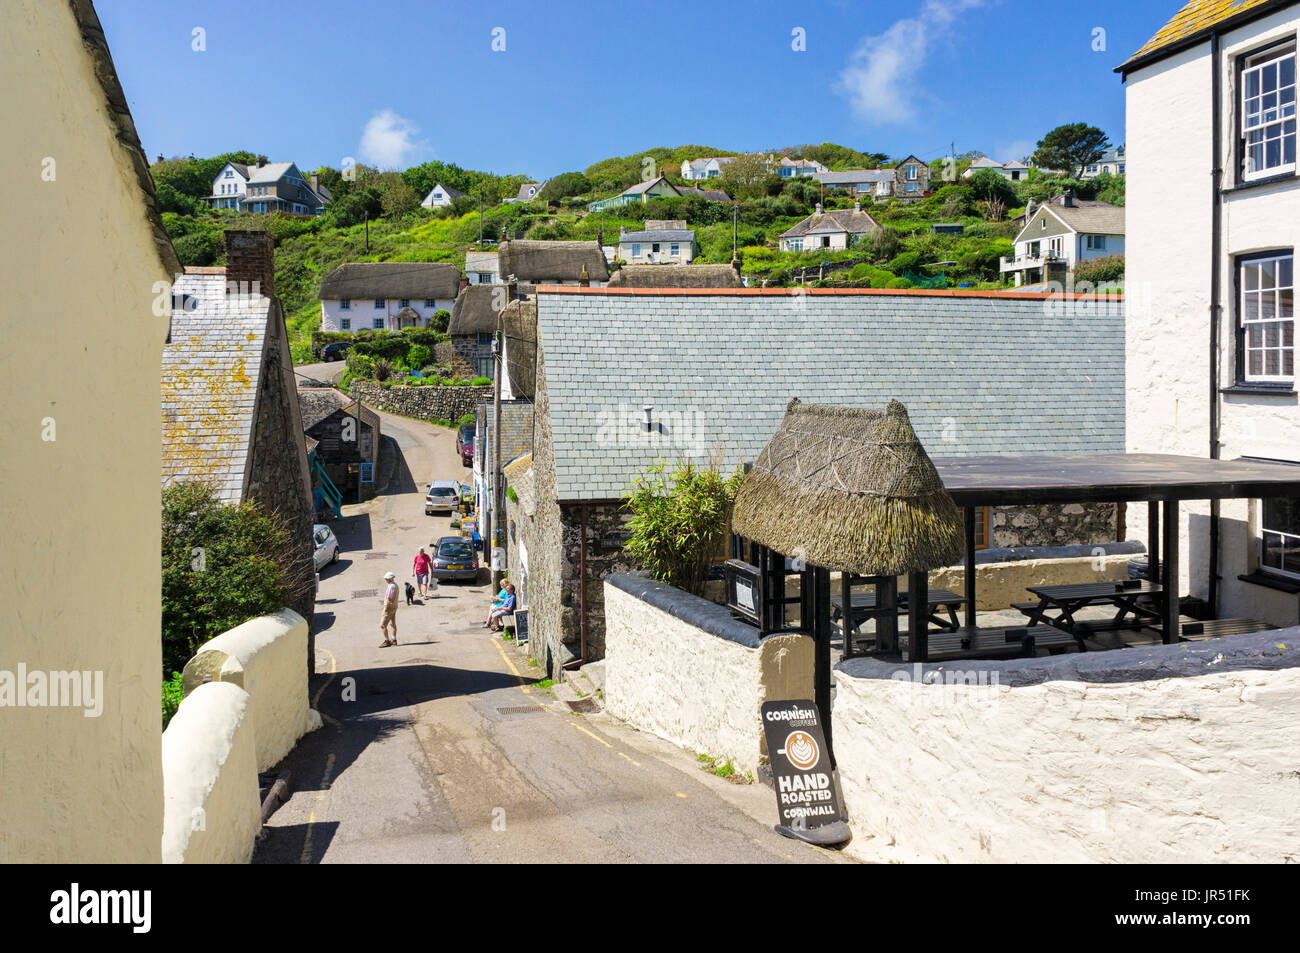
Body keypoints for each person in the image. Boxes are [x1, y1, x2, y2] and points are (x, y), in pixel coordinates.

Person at [380, 571, 398, 647]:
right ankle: (394, 639)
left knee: (382, 625)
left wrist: (386, 608)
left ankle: (387, 641)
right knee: (392, 623)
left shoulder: (391, 587)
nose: (385, 580)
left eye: (386, 578)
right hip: (394, 606)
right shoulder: (395, 585)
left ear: (390, 579)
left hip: (389, 607)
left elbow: (389, 598)